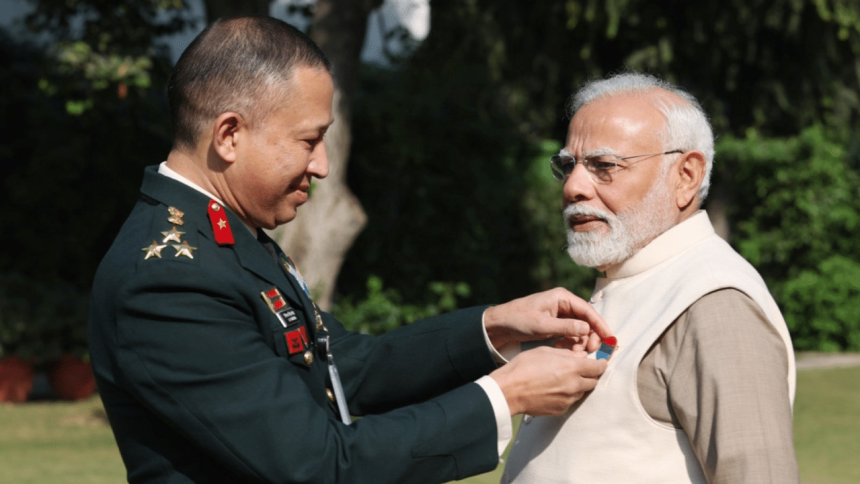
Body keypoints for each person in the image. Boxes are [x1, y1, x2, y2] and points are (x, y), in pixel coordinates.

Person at [88, 16, 612, 484]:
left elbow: (346, 366)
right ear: (229, 135)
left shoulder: (224, 236)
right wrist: (508, 395)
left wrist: (496, 326)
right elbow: (319, 465)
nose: (321, 165)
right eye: (308, 140)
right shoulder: (166, 279)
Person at [501, 72, 799, 484]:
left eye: (604, 165)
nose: (574, 186)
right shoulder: (634, 278)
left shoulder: (715, 304)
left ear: (686, 176)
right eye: (568, 165)